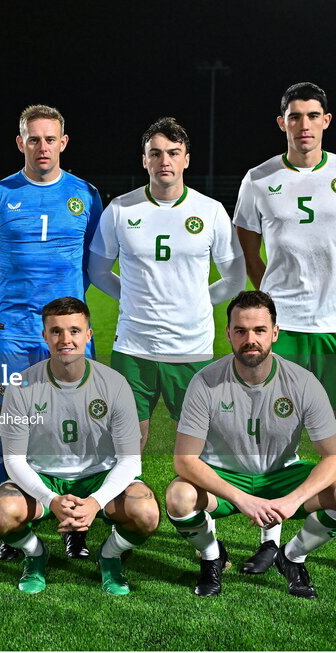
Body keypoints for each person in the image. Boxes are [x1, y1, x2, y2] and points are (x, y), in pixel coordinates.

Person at [233, 82, 336, 578]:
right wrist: (276, 302)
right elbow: (249, 251)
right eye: (295, 116)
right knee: (277, 428)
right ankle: (271, 539)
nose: (304, 125)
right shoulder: (258, 179)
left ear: (326, 121)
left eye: (313, 115)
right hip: (284, 326)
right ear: (282, 123)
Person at [166, 291, 336, 599]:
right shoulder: (205, 382)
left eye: (259, 330)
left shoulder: (302, 382)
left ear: (274, 333)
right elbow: (185, 460)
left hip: (280, 476)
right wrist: (243, 499)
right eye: (241, 330)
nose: (250, 339)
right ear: (228, 334)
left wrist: (292, 500)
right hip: (225, 476)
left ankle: (292, 556)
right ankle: (210, 556)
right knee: (179, 496)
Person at [0, 104, 103, 561]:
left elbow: (91, 260)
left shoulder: (85, 194)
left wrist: (65, 310)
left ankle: (74, 523)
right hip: (14, 331)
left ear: (63, 143)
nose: (42, 147)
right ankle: (13, 525)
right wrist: (19, 299)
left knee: (76, 422)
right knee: (13, 423)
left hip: (68, 330)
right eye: (34, 139)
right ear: (20, 143)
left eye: (50, 139)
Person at [88, 117, 245, 451]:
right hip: (133, 345)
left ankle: (193, 504)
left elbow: (234, 278)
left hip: (191, 346)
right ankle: (121, 500)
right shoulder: (120, 209)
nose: (165, 161)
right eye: (155, 153)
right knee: (127, 438)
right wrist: (133, 298)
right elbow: (98, 271)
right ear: (144, 159)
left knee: (199, 440)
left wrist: (197, 303)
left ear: (186, 159)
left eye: (174, 152)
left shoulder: (211, 211)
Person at [0, 297, 157, 595]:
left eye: (75, 331)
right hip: (44, 478)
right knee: (2, 510)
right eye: (56, 331)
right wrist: (51, 499)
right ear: (45, 336)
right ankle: (36, 553)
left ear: (88, 334)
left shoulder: (114, 384)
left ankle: (110, 555)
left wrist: (95, 502)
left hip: (98, 477)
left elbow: (130, 460)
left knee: (146, 513)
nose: (66, 339)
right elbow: (13, 460)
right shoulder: (21, 386)